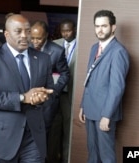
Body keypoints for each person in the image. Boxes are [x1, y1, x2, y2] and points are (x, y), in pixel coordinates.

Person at [0, 14, 54, 163]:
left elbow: (49, 90)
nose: (24, 36)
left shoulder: (43, 58)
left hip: (33, 137)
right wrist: (23, 97)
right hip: (1, 138)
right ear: (6, 34)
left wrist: (42, 97)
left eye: (28, 31)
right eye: (18, 31)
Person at [79, 10, 130, 163]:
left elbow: (117, 87)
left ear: (113, 27)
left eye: (104, 26)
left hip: (104, 113)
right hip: (90, 109)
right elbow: (89, 78)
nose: (99, 30)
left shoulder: (118, 51)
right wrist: (83, 105)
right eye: (97, 26)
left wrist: (106, 115)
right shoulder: (95, 48)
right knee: (92, 153)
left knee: (106, 156)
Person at [30, 20, 69, 163]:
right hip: (27, 101)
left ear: (46, 35)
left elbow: (65, 74)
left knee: (43, 138)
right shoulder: (25, 47)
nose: (35, 42)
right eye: (32, 38)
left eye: (38, 38)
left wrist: (55, 91)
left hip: (46, 104)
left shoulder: (57, 51)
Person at [53, 18, 77, 163]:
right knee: (54, 128)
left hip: (71, 94)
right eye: (63, 31)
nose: (65, 34)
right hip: (55, 93)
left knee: (69, 130)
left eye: (68, 30)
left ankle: (67, 158)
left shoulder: (83, 46)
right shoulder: (55, 45)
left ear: (74, 29)